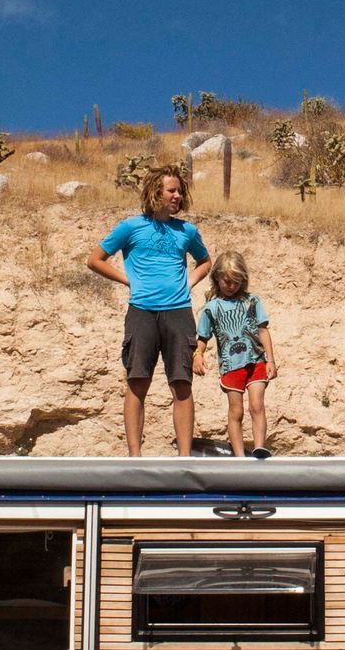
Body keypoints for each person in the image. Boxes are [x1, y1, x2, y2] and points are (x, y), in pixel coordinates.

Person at [86, 167, 210, 455]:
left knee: (182, 384)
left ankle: (184, 458)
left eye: (180, 191)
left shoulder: (187, 231)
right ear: (156, 192)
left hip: (179, 312)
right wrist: (128, 280)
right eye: (171, 190)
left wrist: (189, 282)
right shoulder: (130, 227)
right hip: (141, 311)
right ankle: (135, 457)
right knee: (137, 381)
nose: (177, 196)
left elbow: (205, 261)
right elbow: (95, 260)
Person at [194, 252, 278, 458]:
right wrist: (198, 354)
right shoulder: (211, 309)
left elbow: (263, 330)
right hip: (231, 366)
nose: (231, 286)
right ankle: (239, 456)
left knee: (257, 405)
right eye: (227, 281)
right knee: (236, 410)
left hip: (256, 361)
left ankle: (259, 448)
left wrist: (271, 360)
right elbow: (202, 337)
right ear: (217, 278)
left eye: (236, 281)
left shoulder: (252, 301)